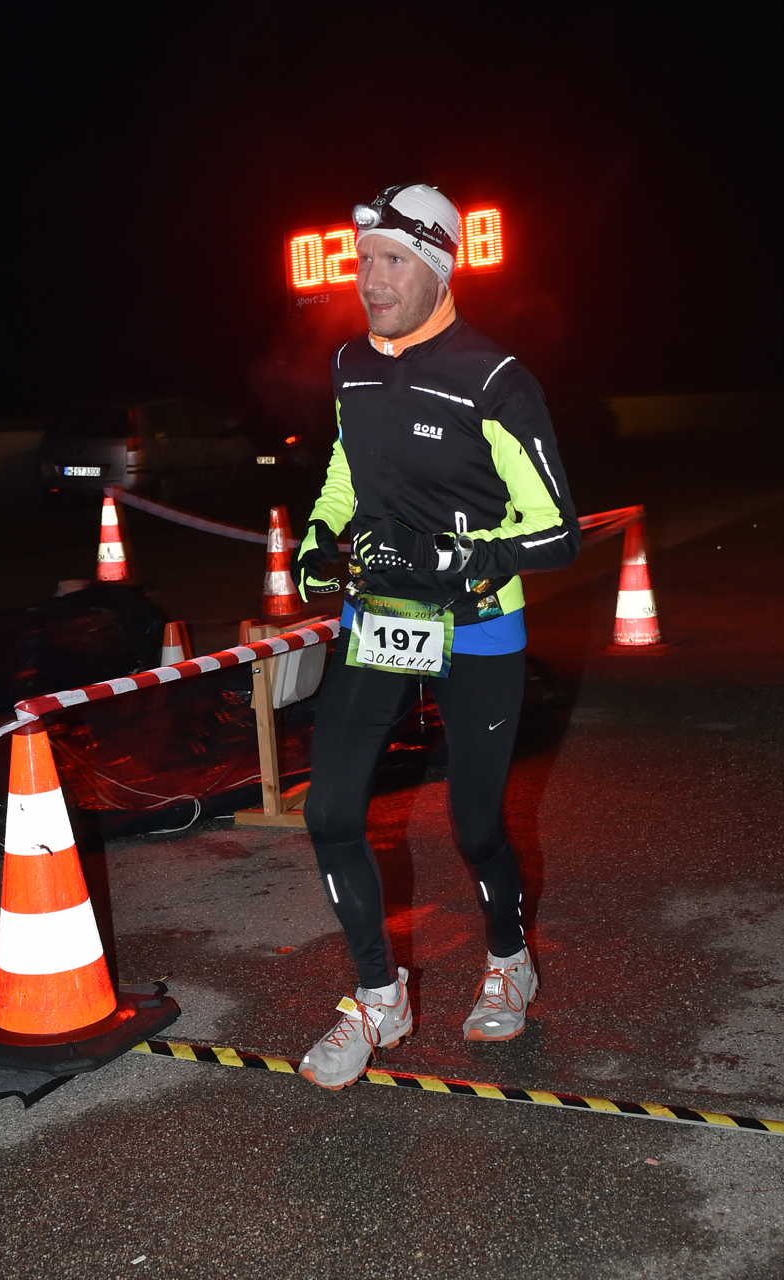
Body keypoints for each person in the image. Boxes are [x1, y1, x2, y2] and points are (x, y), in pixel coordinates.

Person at [291, 183, 579, 1091]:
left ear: (436, 268)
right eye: (362, 261)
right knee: (329, 812)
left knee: (474, 821)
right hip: (379, 621)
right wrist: (317, 537)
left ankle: (507, 957)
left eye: (390, 263)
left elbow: (557, 530)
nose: (368, 280)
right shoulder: (350, 365)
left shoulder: (493, 380)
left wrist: (457, 554)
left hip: (477, 629)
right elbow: (346, 467)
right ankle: (379, 996)